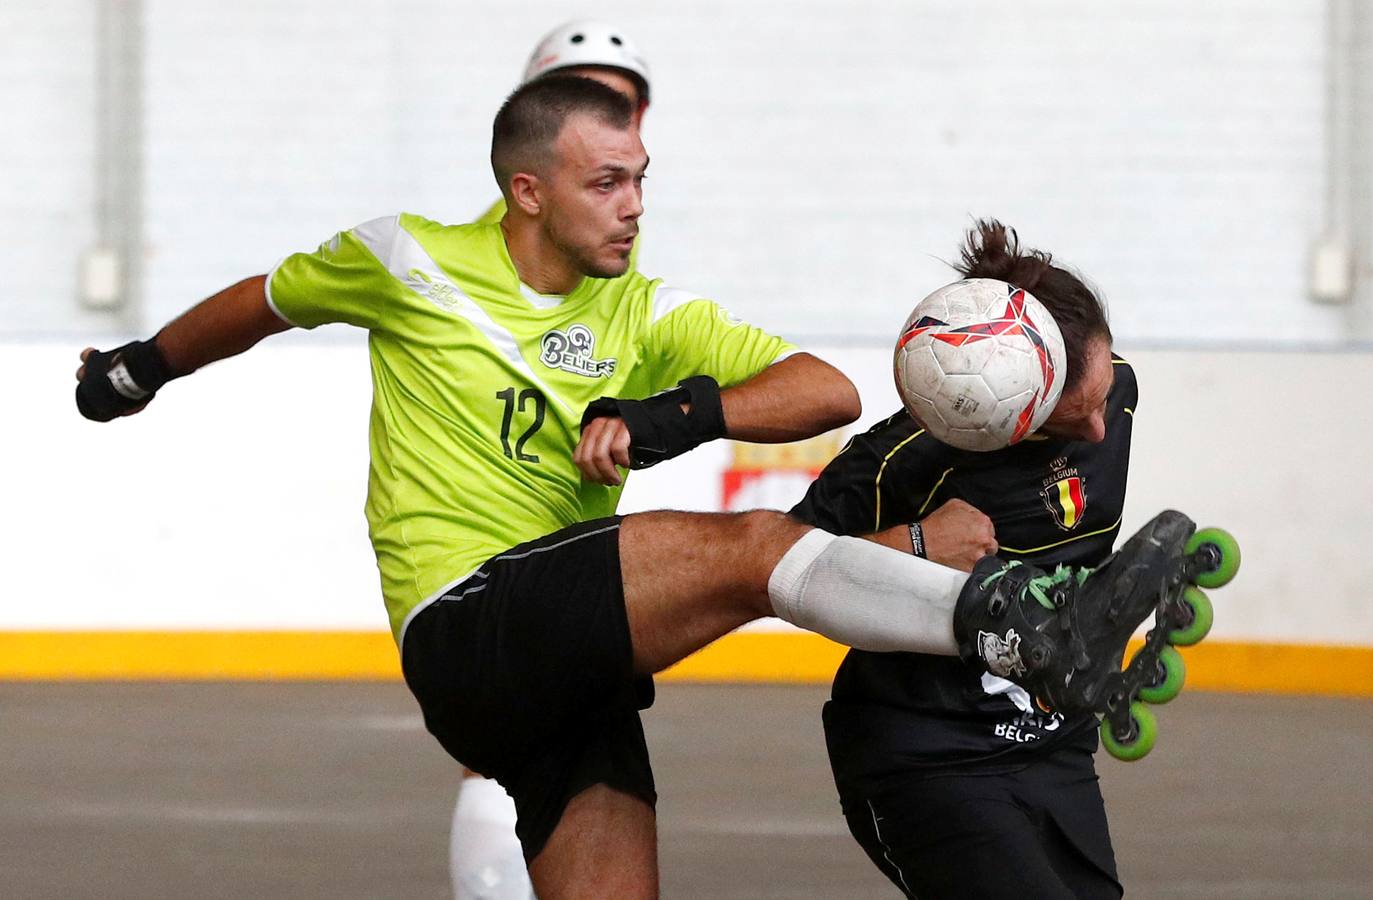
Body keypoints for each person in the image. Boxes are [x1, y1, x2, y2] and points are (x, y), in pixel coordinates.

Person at [74, 78, 1166, 898]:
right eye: (606, 182)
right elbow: (267, 300)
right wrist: (142, 368)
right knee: (747, 553)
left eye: (641, 178)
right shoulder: (407, 261)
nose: (632, 204)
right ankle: (1010, 630)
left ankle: (995, 615)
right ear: (527, 190)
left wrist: (675, 414)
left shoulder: (644, 313)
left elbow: (823, 390)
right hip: (469, 613)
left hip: (571, 672)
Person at [793, 220, 1129, 898]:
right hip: (928, 755)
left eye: (1104, 398)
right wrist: (916, 544)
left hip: (1055, 746)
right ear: (1014, 399)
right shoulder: (897, 462)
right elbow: (774, 572)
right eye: (1074, 416)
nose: (1099, 427)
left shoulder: (1114, 389)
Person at [451, 21, 653, 899]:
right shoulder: (472, 260)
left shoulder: (625, 255)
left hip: (576, 540)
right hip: (479, 558)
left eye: (624, 97)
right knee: (500, 740)